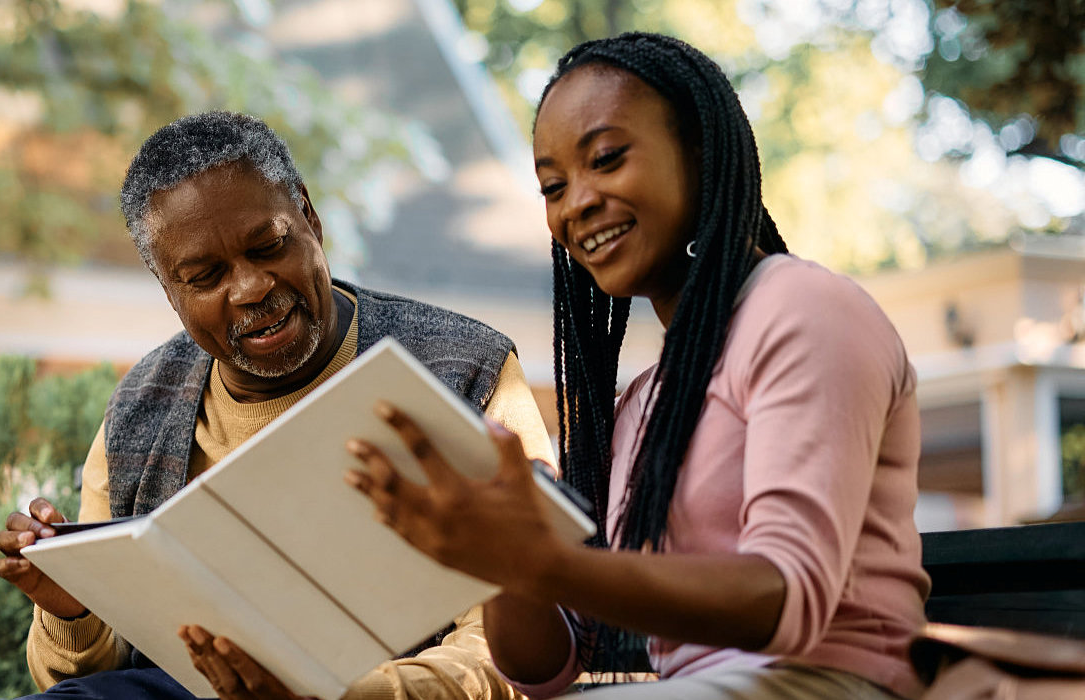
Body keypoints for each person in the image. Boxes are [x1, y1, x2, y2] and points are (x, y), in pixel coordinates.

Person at [348, 32, 929, 700]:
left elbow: (785, 598)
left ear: (701, 152)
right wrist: (503, 563)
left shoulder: (803, 307)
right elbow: (545, 672)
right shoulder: (642, 403)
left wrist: (542, 562)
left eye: (607, 159)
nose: (577, 204)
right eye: (553, 187)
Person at [0, 110, 556, 700]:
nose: (250, 288)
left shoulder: (463, 370)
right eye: (206, 276)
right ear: (168, 287)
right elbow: (84, 682)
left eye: (268, 247)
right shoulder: (141, 408)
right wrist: (75, 609)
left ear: (310, 217)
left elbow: (513, 653)